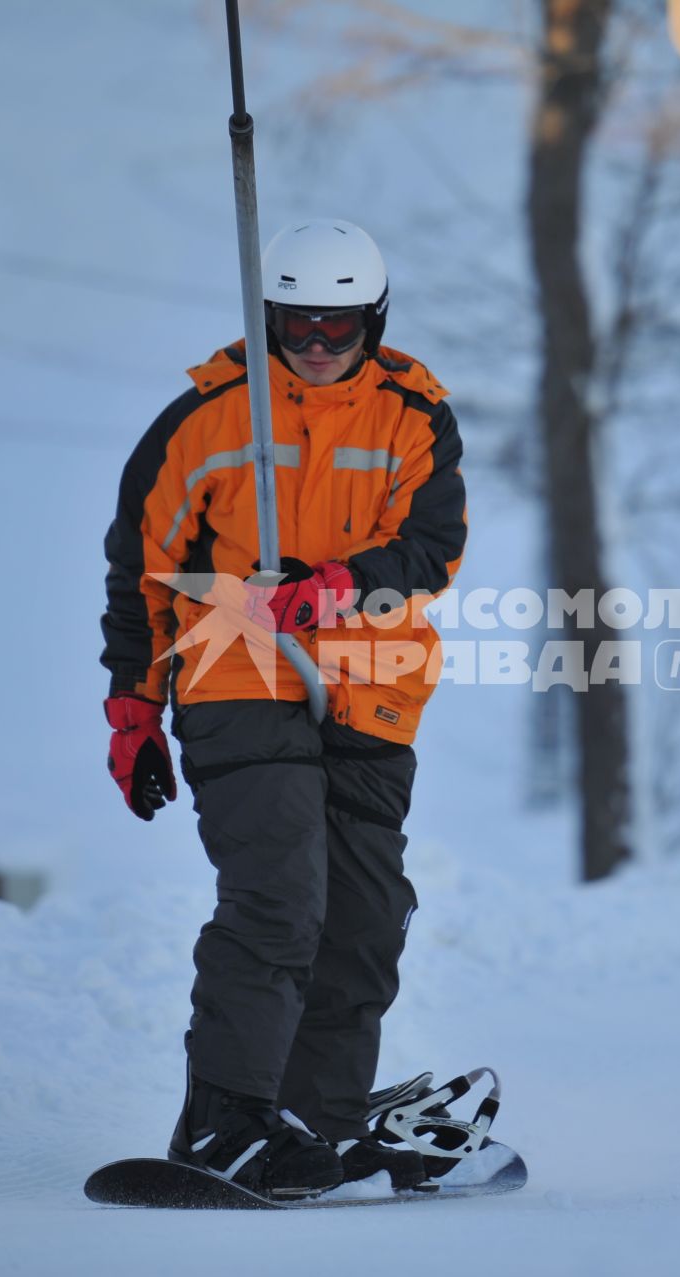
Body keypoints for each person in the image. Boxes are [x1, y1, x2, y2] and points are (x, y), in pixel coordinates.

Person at [99, 218, 467, 1197]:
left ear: (373, 322)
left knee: (363, 916)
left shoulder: (412, 414)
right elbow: (138, 568)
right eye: (298, 323)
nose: (315, 342)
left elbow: (432, 548)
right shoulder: (205, 420)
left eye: (337, 327)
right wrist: (133, 709)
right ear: (268, 315)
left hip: (371, 690)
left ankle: (318, 1127)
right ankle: (227, 1118)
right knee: (280, 894)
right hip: (235, 668)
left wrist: (336, 587)